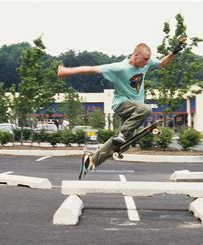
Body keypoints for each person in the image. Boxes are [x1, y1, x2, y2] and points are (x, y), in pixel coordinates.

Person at [58, 37, 186, 178]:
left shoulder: (146, 63)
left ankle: (91, 161)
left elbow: (162, 64)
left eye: (148, 59)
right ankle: (122, 134)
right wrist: (66, 71)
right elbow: (91, 69)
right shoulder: (119, 68)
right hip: (121, 105)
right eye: (144, 59)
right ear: (135, 55)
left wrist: (175, 51)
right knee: (146, 109)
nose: (147, 62)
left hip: (133, 110)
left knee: (122, 146)